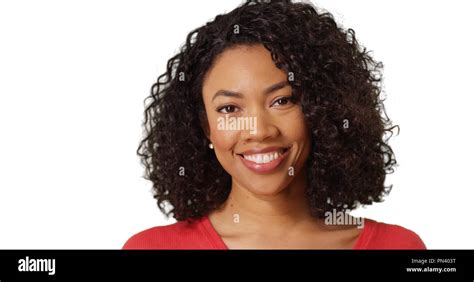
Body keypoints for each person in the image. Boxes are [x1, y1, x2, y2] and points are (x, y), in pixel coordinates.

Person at [123, 0, 425, 249]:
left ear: (321, 111)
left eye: (282, 101)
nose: (259, 130)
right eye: (229, 108)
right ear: (205, 127)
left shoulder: (399, 246)